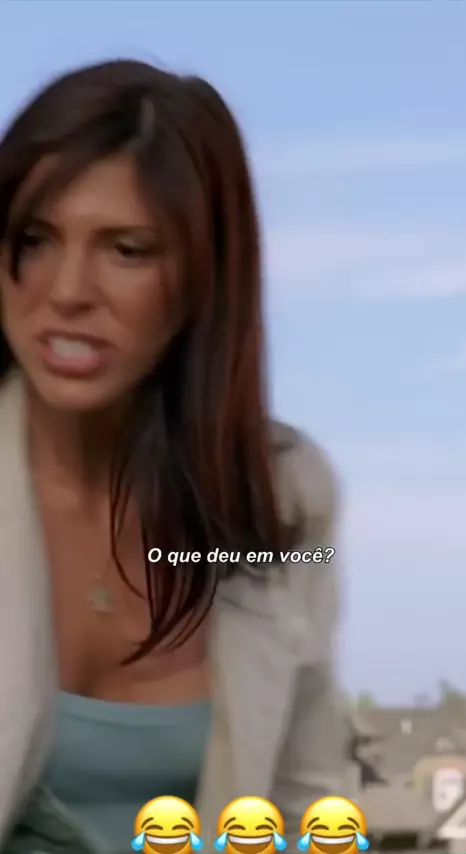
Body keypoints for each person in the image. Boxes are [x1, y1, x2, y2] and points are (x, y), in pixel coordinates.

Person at [0, 59, 347, 854]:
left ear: (202, 280)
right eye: (34, 240)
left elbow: (307, 800)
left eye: (127, 250)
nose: (68, 291)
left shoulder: (283, 499)